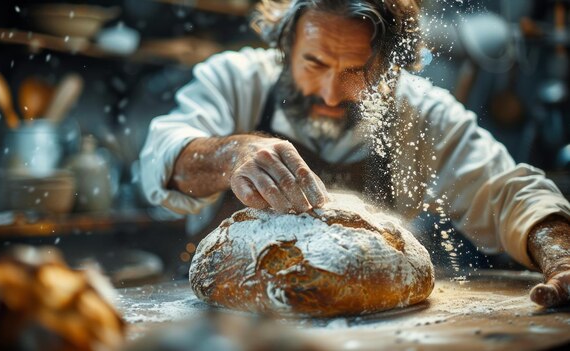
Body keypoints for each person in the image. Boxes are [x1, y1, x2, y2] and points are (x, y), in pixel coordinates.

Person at [140, 0, 570, 307]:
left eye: (354, 71)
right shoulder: (235, 80)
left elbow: (508, 192)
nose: (329, 92)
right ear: (285, 45)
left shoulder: (420, 112)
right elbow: (163, 154)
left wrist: (562, 254)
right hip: (224, 327)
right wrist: (232, 153)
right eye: (314, 63)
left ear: (387, 65)